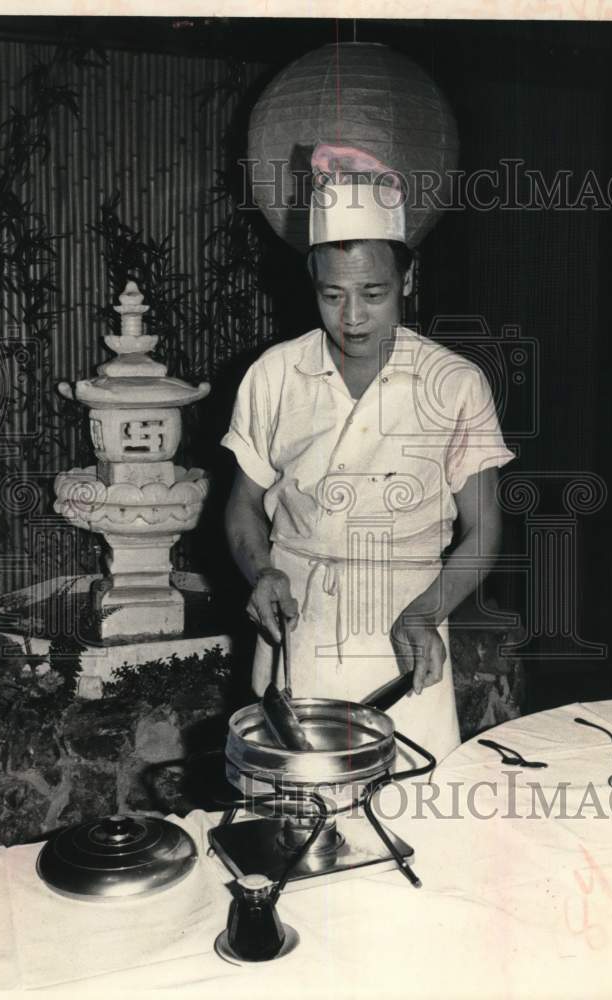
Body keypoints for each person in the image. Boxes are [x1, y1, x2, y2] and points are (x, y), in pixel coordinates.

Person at [222, 146, 514, 763]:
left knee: (410, 815)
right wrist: (262, 572)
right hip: (296, 623)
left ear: (409, 279)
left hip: (404, 629)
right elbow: (244, 504)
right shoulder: (274, 375)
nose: (352, 317)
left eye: (373, 293)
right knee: (289, 812)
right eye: (332, 296)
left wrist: (426, 612)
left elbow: (484, 529)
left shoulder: (454, 383)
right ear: (312, 283)